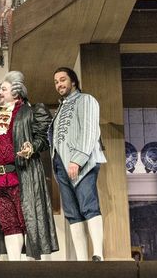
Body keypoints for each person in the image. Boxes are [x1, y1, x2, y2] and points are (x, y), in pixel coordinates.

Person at [0, 71, 58, 260]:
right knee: (9, 224)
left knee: (27, 221)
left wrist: (31, 147)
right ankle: (14, 266)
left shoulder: (29, 112)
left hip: (21, 176)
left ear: (15, 92)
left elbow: (43, 139)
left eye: (3, 89)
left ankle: (30, 266)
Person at [51, 67, 106, 261]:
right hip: (61, 164)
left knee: (88, 206)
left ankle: (98, 254)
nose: (59, 84)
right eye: (56, 82)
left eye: (62, 80)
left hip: (82, 163)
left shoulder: (86, 100)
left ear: (73, 81)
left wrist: (78, 159)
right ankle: (82, 260)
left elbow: (90, 131)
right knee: (72, 213)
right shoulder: (61, 107)